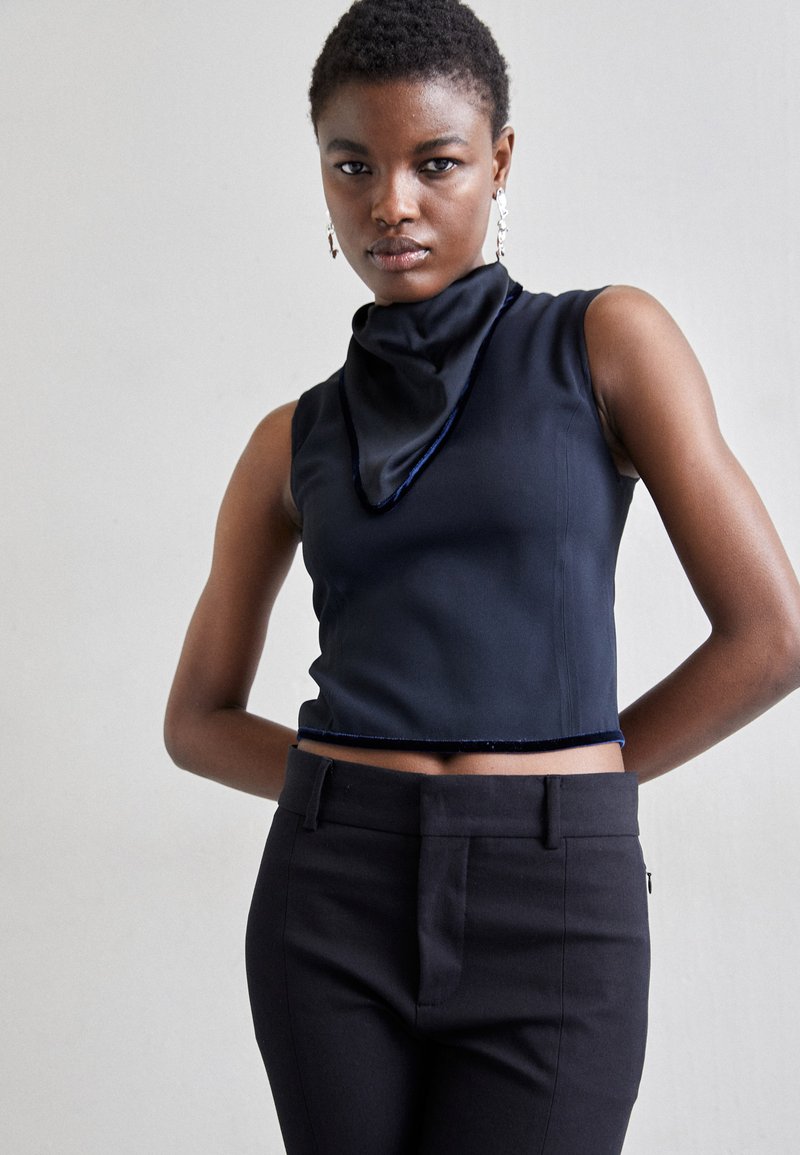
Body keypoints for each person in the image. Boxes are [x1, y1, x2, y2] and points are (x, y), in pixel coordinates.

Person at [163, 1, 800, 1151]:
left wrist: (573, 790)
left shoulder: (605, 342)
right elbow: (195, 722)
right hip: (329, 901)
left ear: (498, 160)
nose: (389, 204)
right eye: (352, 166)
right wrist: (346, 798)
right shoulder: (287, 441)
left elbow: (771, 636)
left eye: (434, 163)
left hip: (553, 898)